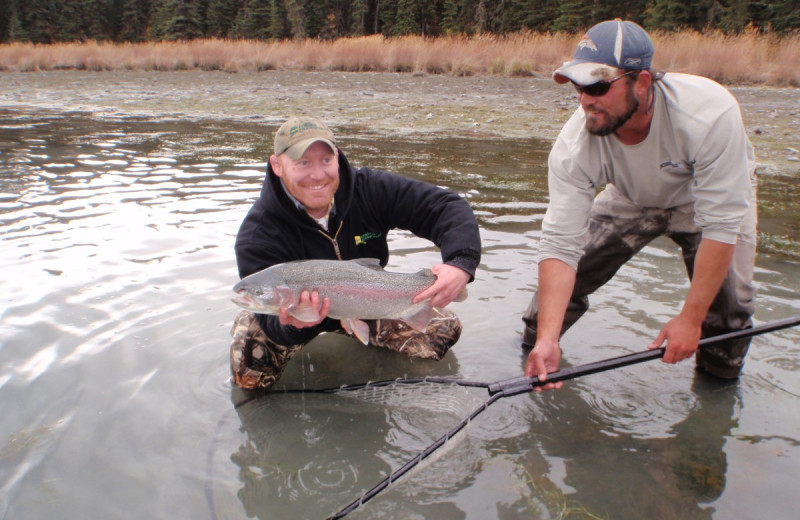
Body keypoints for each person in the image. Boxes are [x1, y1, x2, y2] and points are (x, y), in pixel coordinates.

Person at [522, 20, 757, 389]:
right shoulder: (574, 145)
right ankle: (536, 358)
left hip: (705, 203)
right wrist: (547, 338)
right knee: (558, 294)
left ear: (642, 82)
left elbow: (722, 225)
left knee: (730, 312)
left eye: (598, 85)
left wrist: (689, 319)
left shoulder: (709, 114)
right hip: (630, 197)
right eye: (578, 87)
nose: (585, 100)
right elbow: (559, 244)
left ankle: (716, 395)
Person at [230, 115, 482, 390]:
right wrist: (295, 325)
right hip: (296, 316)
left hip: (371, 299)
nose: (317, 175)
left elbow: (447, 206)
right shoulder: (258, 234)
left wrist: (461, 263)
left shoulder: (370, 189)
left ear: (337, 157)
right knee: (248, 359)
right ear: (277, 165)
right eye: (303, 163)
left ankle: (374, 372)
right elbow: (271, 322)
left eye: (326, 161)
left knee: (443, 331)